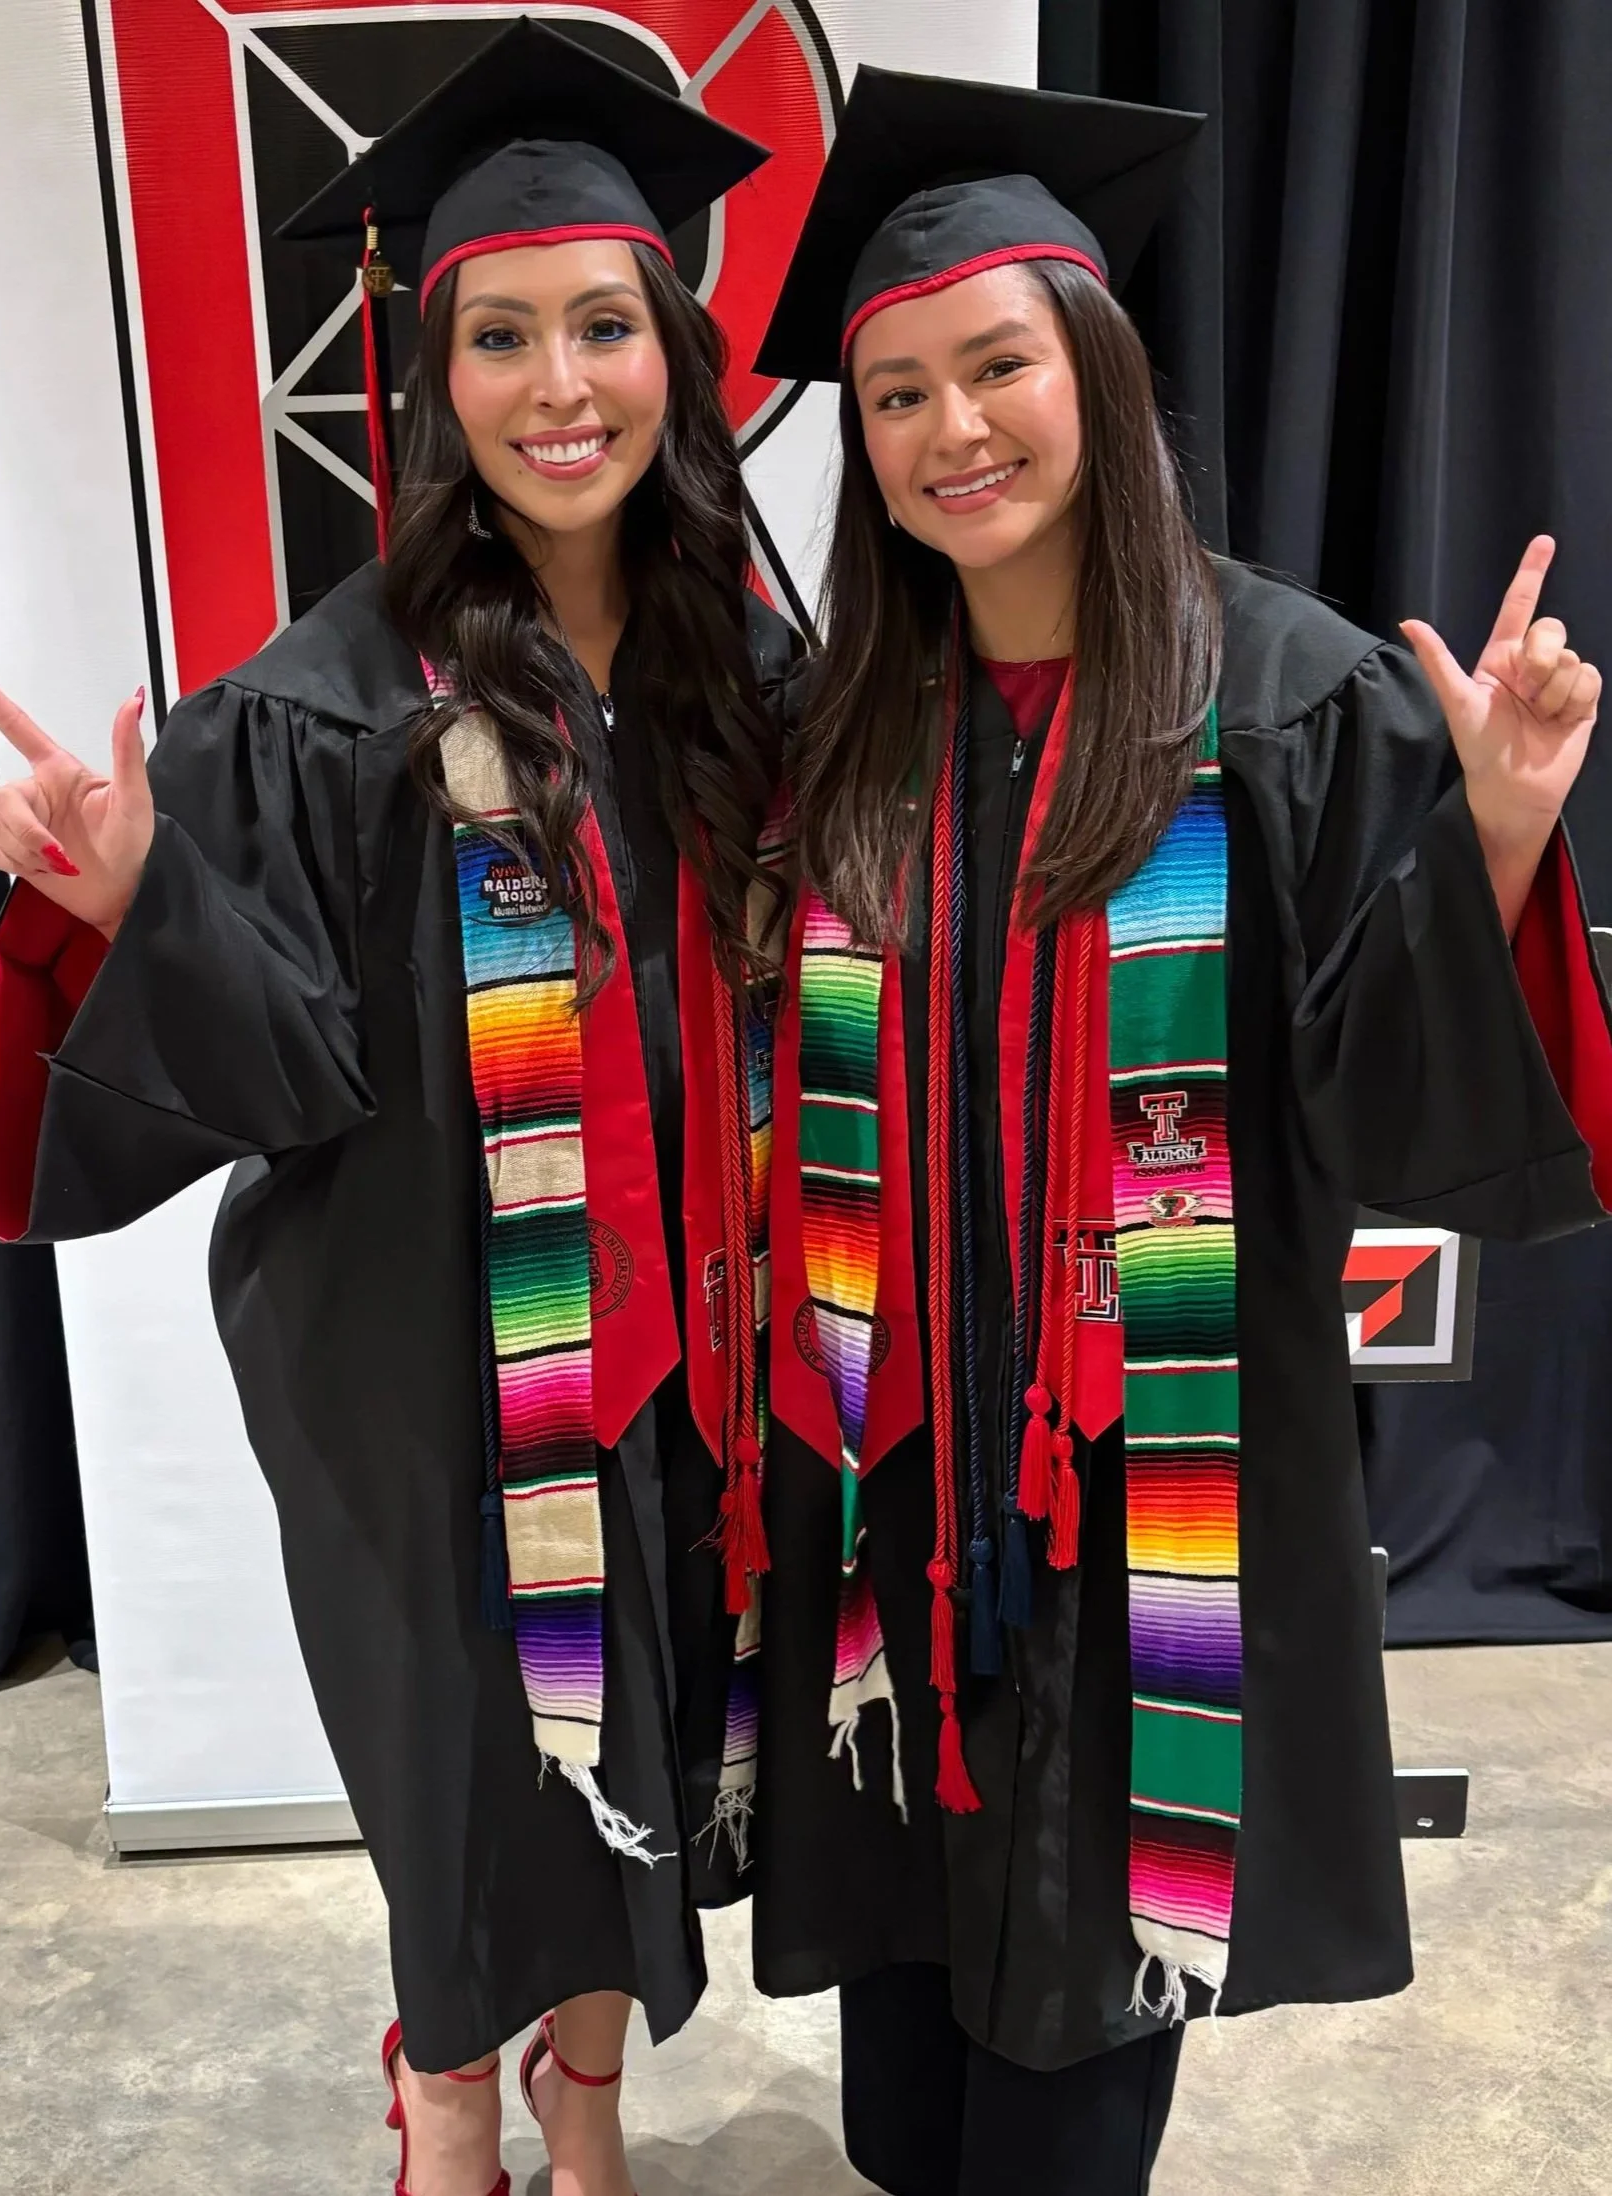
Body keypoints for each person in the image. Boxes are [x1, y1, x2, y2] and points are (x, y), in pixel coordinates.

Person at [744, 65, 1612, 2196]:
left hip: (1151, 1489)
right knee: (902, 2093)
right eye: (894, 395)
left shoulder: (1285, 699)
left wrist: (1493, 826)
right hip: (887, 1468)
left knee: (1067, 2053)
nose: (954, 431)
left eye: (997, 368)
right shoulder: (837, 723)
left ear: (1096, 369)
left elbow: (1395, 1108)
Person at [0, 23, 798, 2196]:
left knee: (653, 1703)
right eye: (500, 337)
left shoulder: (759, 680)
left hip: (696, 1335)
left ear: (672, 352)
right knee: (450, 1748)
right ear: (433, 382)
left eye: (603, 326)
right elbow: (286, 1063)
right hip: (409, 1353)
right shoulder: (334, 697)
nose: (558, 385)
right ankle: (443, 2094)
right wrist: (135, 897)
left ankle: (584, 2088)